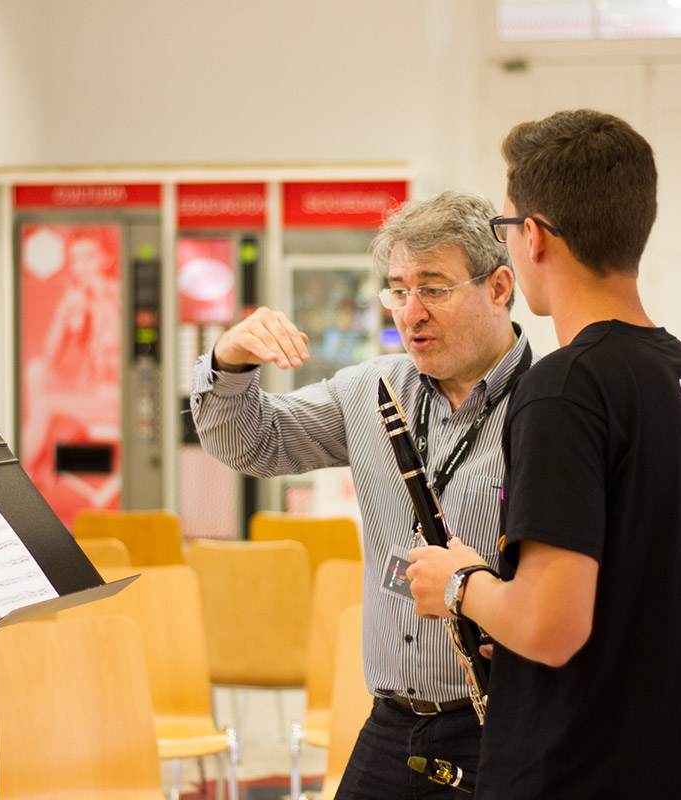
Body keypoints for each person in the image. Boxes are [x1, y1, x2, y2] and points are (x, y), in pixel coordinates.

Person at [407, 110, 681, 799]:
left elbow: (552, 628)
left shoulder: (563, 388)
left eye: (505, 228)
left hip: (578, 773)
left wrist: (462, 584)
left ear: (532, 236)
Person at [189, 189, 533, 799]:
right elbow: (250, 444)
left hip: (503, 722)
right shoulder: (370, 388)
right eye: (398, 290)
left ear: (500, 286)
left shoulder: (554, 405)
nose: (411, 312)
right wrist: (229, 360)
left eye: (433, 288)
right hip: (391, 721)